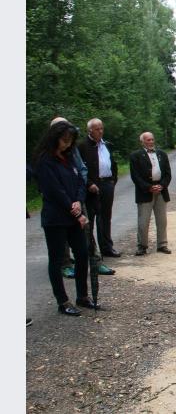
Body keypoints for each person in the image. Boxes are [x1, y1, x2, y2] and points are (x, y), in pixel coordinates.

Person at [33, 121, 96, 316]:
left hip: (73, 215)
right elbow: (53, 190)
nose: (66, 144)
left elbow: (79, 180)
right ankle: (62, 301)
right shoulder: (44, 160)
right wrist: (74, 208)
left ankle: (82, 296)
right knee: (57, 258)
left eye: (70, 141)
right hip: (56, 218)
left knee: (82, 253)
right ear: (54, 138)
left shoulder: (68, 157)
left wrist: (78, 200)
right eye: (64, 141)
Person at [78, 118, 118, 276]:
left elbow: (112, 163)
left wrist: (113, 179)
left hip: (107, 183)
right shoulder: (82, 146)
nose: (100, 131)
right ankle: (92, 253)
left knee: (106, 216)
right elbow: (80, 168)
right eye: (97, 129)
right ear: (90, 131)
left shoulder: (106, 144)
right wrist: (89, 184)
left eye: (101, 128)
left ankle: (107, 247)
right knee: (91, 218)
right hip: (92, 187)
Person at [130, 132, 172, 256]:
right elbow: (135, 176)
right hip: (145, 191)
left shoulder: (162, 154)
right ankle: (142, 246)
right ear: (142, 141)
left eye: (152, 139)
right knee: (143, 220)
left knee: (162, 220)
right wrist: (148, 187)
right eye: (148, 140)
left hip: (161, 190)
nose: (151, 142)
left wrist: (162, 185)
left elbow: (168, 173)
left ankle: (162, 244)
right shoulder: (135, 156)